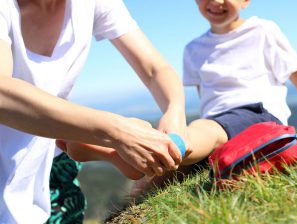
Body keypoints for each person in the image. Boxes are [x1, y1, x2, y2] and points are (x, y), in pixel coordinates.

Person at [60, 0, 297, 199]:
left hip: (258, 115)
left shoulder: (263, 31)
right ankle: (129, 155)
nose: (215, 2)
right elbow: (208, 100)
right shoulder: (193, 49)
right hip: (216, 121)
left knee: (195, 137)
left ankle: (137, 138)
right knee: (149, 186)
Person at [0, 0, 188, 223]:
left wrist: (174, 111)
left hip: (51, 164)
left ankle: (79, 143)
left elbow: (154, 69)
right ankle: (83, 142)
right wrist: (118, 132)